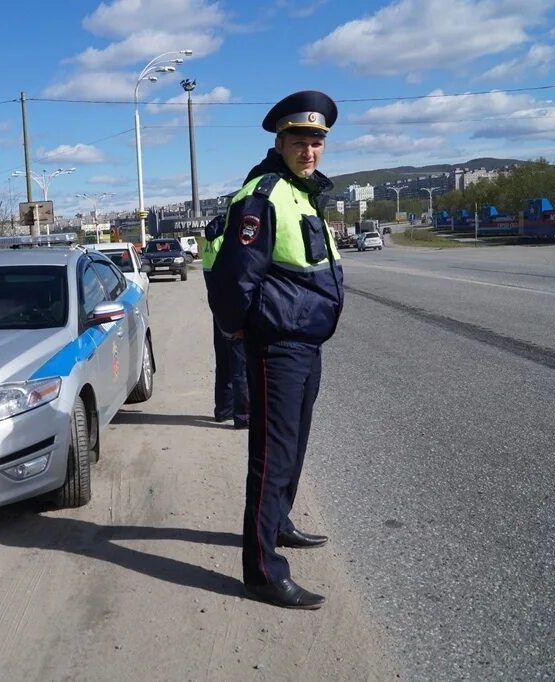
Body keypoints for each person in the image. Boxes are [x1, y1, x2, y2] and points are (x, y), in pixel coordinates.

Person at [209, 90, 345, 610]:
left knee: (296, 443)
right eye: (299, 140)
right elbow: (232, 279)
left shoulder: (302, 192)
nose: (309, 150)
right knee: (271, 455)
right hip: (277, 343)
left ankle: (279, 522)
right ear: (280, 142)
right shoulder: (262, 195)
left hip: (305, 342)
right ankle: (262, 571)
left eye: (317, 141)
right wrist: (240, 332)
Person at [201, 217, 249, 429]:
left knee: (223, 362)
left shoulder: (210, 243)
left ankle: (223, 410)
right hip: (233, 309)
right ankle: (243, 417)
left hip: (217, 308)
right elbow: (238, 277)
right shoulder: (228, 241)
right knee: (240, 365)